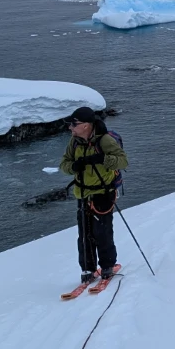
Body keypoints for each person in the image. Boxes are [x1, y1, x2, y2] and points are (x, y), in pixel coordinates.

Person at [60, 106, 129, 286]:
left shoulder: (105, 141)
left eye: (73, 124)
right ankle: (87, 270)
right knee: (84, 234)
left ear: (86, 125)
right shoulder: (74, 142)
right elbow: (64, 164)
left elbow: (123, 161)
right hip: (82, 193)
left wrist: (101, 159)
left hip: (103, 193)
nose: (70, 128)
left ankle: (107, 266)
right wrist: (74, 167)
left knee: (102, 233)